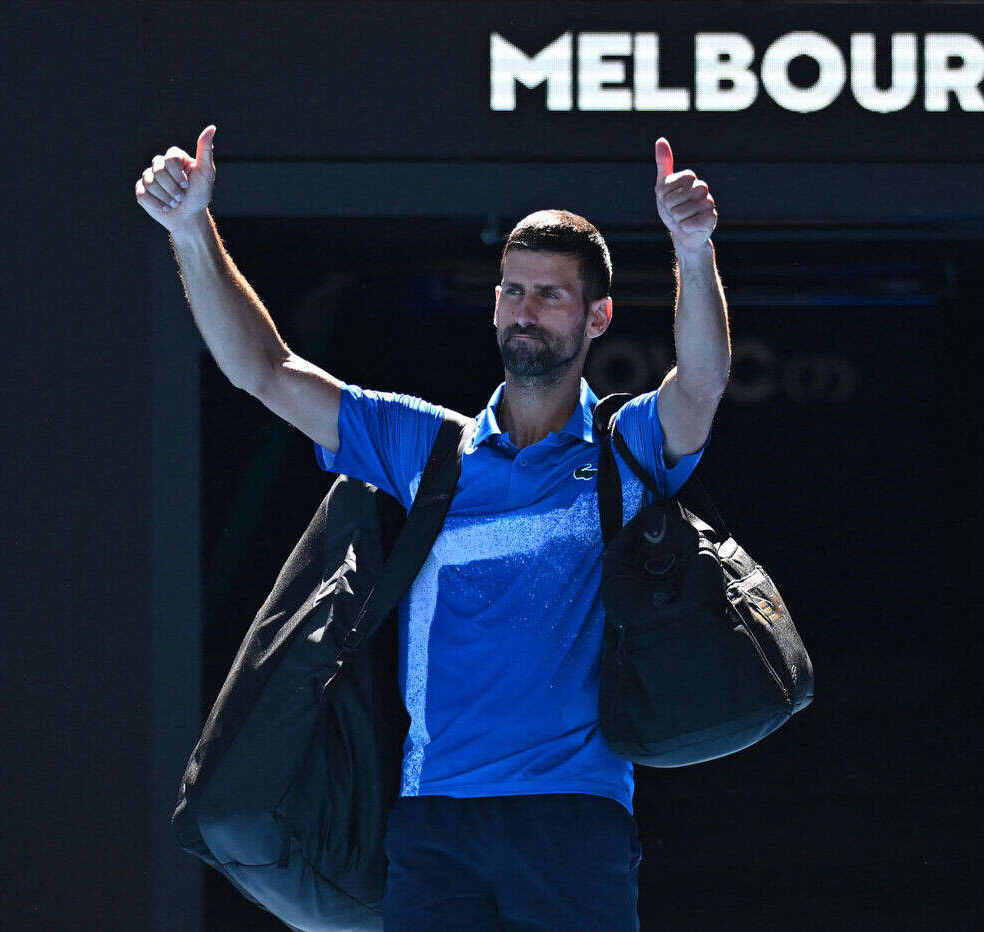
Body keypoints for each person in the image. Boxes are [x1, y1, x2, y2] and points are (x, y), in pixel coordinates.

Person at [135, 125, 731, 931]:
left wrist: (692, 250)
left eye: (551, 295)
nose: (527, 311)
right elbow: (264, 370)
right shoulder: (429, 449)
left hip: (573, 820)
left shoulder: (624, 452)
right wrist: (190, 229)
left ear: (597, 318)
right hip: (433, 824)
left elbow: (698, 385)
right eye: (514, 290)